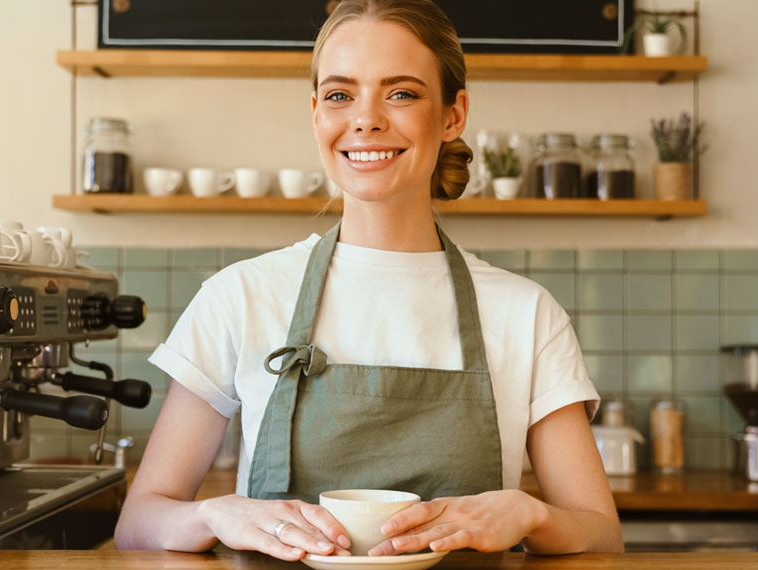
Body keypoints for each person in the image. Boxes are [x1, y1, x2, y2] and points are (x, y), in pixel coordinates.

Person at [114, 0, 622, 559]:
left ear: (453, 115)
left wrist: (531, 513)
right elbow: (139, 522)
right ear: (316, 114)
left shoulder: (526, 312)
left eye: (401, 93)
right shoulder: (240, 296)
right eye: (339, 95)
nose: (366, 118)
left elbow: (600, 533)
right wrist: (215, 512)